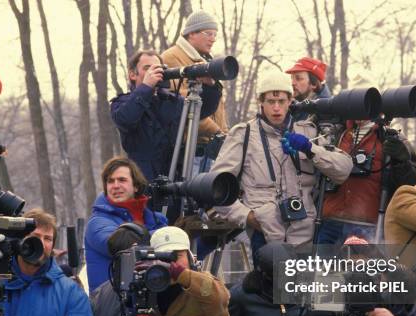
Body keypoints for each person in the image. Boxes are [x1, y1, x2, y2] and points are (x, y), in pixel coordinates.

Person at [211, 70, 352, 258]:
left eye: (282, 102)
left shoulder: (309, 132)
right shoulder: (243, 134)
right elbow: (214, 188)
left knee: (302, 287)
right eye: (270, 101)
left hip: (305, 234)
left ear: (290, 101)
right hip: (264, 234)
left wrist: (310, 149)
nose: (276, 108)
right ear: (261, 102)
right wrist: (247, 217)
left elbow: (344, 169)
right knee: (268, 286)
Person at [110, 49, 221, 181]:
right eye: (147, 68)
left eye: (158, 68)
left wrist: (210, 86)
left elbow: (202, 110)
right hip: (141, 180)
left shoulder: (172, 101)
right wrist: (146, 87)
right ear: (132, 74)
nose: (154, 72)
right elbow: (126, 119)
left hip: (172, 178)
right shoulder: (122, 102)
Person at [84, 157, 167, 292]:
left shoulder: (157, 220)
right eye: (110, 181)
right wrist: (172, 234)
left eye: (122, 180)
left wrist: (201, 237)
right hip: (113, 306)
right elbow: (119, 244)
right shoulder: (97, 223)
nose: (115, 185)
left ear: (136, 186)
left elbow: (180, 255)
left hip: (153, 300)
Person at [161, 10, 228, 142]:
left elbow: (218, 108)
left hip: (212, 145)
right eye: (209, 33)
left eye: (215, 34)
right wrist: (217, 132)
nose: (213, 39)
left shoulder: (206, 63)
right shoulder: (171, 57)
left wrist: (226, 135)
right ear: (191, 33)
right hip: (189, 147)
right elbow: (184, 104)